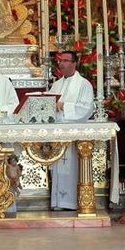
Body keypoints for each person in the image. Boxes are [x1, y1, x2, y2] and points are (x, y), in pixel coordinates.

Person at [48, 51, 95, 211]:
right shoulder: (56, 85)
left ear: (74, 64)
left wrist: (64, 106)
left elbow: (87, 108)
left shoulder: (83, 84)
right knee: (58, 168)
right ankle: (58, 202)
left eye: (66, 61)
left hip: (74, 134)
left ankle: (71, 202)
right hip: (58, 133)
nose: (62, 64)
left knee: (71, 168)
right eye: (61, 61)